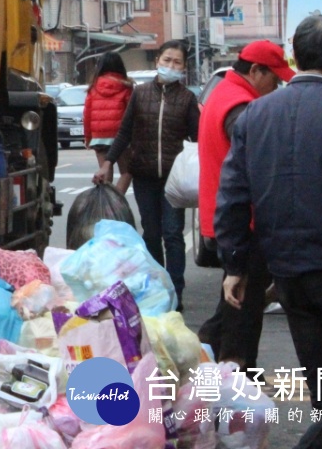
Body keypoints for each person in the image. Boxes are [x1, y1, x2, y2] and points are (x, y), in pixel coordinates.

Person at [216, 15, 322, 447]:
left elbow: (232, 195)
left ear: (294, 56)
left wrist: (235, 265)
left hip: (285, 268)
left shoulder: (256, 115)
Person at [195, 41, 292, 370]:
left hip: (224, 218)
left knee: (236, 304)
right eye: (274, 79)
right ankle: (234, 379)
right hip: (242, 222)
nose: (276, 87)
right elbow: (256, 170)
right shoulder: (241, 108)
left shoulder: (224, 95)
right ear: (255, 71)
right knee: (242, 310)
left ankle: (204, 361)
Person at [93, 39, 198, 305]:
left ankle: (176, 292)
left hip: (174, 182)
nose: (170, 66)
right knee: (151, 233)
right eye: (167, 60)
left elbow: (197, 141)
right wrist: (108, 163)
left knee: (173, 235)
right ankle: (158, 288)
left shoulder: (187, 99)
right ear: (157, 61)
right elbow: (124, 132)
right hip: (144, 176)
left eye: (177, 62)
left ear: (184, 68)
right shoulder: (140, 94)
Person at [82, 51, 134, 194]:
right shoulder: (126, 86)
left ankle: (107, 204)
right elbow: (131, 114)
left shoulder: (93, 87)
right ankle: (117, 201)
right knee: (127, 172)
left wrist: (88, 138)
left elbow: (87, 115)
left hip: (99, 136)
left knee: (105, 174)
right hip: (120, 137)